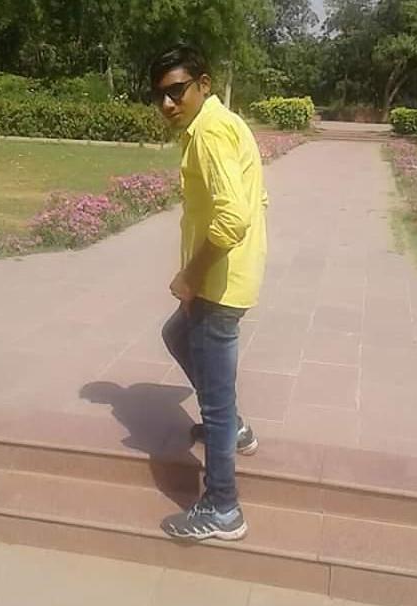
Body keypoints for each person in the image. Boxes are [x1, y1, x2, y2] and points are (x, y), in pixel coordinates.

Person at [150, 44, 268, 541]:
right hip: (227, 276)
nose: (168, 103)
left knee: (215, 405)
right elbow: (253, 197)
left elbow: (232, 218)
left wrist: (191, 277)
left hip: (217, 283)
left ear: (203, 84)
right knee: (176, 335)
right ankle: (234, 426)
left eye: (177, 91)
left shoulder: (210, 132)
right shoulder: (220, 124)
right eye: (160, 95)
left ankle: (223, 507)